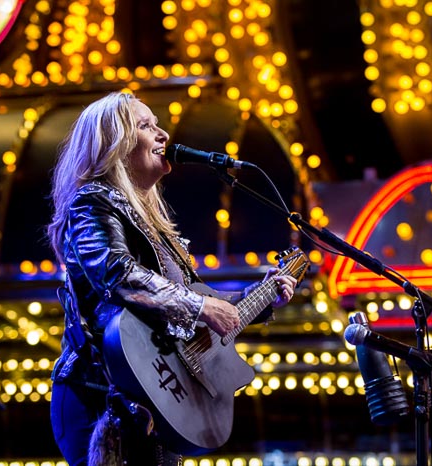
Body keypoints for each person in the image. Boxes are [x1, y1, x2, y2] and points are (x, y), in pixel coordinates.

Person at [46, 91, 298, 466]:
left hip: (157, 401)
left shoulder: (158, 229)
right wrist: (200, 306)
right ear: (113, 143)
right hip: (103, 395)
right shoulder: (92, 202)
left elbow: (199, 302)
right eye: (146, 126)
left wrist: (261, 298)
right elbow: (115, 271)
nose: (162, 134)